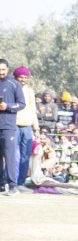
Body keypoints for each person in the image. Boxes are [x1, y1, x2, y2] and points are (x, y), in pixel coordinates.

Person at [0, 59, 26, 195]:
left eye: (3, 69)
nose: (1, 72)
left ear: (7, 69)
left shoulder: (14, 84)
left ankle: (12, 185)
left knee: (9, 155)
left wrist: (7, 106)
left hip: (8, 125)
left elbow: (21, 104)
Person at [13, 65, 40, 187]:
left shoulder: (30, 91)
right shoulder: (10, 88)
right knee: (12, 155)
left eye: (25, 77)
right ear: (15, 77)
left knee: (25, 155)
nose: (23, 80)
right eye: (21, 77)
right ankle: (9, 181)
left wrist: (36, 128)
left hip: (27, 127)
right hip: (13, 126)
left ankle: (21, 182)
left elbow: (33, 110)